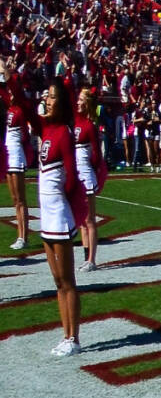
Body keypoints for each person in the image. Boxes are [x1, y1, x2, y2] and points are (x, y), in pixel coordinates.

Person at [31, 79, 81, 355]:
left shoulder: (63, 132)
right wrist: (9, 78)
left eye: (51, 97)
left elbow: (72, 178)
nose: (47, 101)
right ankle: (65, 335)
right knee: (57, 282)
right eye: (46, 96)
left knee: (67, 280)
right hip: (47, 218)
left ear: (60, 104)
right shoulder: (47, 129)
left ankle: (73, 338)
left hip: (59, 215)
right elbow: (27, 110)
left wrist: (64, 201)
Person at [72, 85, 105, 270]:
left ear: (87, 103)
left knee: (90, 220)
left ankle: (92, 260)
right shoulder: (77, 122)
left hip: (86, 175)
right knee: (82, 220)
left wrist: (92, 171)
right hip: (78, 175)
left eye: (81, 100)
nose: (78, 102)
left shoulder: (90, 126)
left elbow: (96, 156)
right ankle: (86, 257)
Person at [2, 56, 29, 251]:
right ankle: (20, 235)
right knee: (14, 199)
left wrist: (7, 70)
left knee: (21, 199)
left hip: (17, 152)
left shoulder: (21, 106)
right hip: (8, 151)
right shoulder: (9, 106)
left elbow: (8, 79)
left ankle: (24, 236)